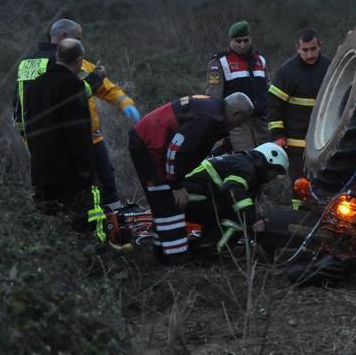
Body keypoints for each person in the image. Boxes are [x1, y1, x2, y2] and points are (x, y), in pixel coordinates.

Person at [13, 18, 140, 212]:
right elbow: (79, 91)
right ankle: (109, 228)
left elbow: (18, 104)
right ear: (64, 36)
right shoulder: (68, 61)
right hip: (78, 140)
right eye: (78, 38)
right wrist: (108, 88)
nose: (81, 42)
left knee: (50, 195)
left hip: (38, 142)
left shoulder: (26, 64)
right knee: (97, 188)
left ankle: (59, 232)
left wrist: (123, 102)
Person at [128, 92, 254, 265]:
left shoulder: (214, 111)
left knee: (164, 203)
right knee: (167, 202)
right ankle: (177, 260)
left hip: (154, 142)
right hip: (150, 144)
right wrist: (177, 184)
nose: (238, 126)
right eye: (241, 121)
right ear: (236, 114)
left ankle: (163, 253)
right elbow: (177, 149)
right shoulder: (207, 118)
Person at [24, 38, 106, 242]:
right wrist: (87, 171)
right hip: (70, 175)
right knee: (81, 227)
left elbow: (28, 126)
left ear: (57, 56)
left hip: (41, 171)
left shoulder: (33, 87)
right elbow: (78, 132)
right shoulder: (73, 86)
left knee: (48, 229)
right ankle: (91, 265)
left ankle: (54, 265)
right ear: (79, 60)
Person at [182, 142, 289, 254]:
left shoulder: (243, 163)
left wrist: (256, 231)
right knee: (239, 218)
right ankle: (210, 251)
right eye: (276, 171)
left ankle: (201, 244)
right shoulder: (245, 167)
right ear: (268, 161)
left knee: (236, 211)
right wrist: (252, 220)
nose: (274, 177)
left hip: (195, 198)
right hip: (187, 198)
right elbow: (232, 188)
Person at [268, 28, 331, 180]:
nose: (310, 54)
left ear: (320, 45)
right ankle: (297, 206)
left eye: (313, 49)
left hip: (324, 141)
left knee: (324, 183)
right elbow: (274, 106)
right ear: (297, 48)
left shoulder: (331, 67)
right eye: (305, 50)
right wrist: (277, 135)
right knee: (299, 184)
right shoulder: (287, 72)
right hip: (295, 143)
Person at [206, 20, 269, 151]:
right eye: (238, 41)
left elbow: (268, 89)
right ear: (231, 41)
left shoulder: (260, 60)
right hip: (237, 124)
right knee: (245, 159)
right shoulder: (220, 61)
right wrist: (217, 129)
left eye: (245, 40)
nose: (242, 45)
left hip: (262, 122)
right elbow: (214, 97)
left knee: (266, 161)